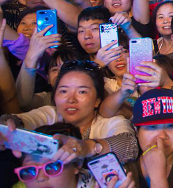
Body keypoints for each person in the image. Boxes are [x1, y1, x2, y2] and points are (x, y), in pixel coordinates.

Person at [1, 60, 138, 164]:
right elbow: (17, 120)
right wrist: (6, 127)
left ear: (97, 100)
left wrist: (86, 147)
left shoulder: (110, 122)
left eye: (82, 92)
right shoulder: (51, 114)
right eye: (63, 91)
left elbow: (129, 145)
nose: (71, 99)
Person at [125, 88, 173, 188]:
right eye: (152, 127)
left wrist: (158, 178)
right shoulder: (123, 167)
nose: (162, 136)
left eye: (171, 126)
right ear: (137, 131)